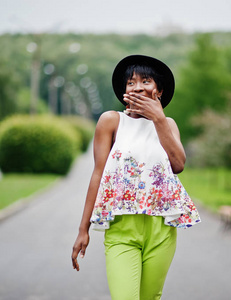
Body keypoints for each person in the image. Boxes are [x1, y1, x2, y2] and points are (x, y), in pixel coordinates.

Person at [71, 55, 201, 300]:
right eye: (131, 82)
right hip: (122, 229)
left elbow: (178, 164)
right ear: (124, 91)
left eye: (146, 81)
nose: (138, 87)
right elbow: (98, 174)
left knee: (149, 298)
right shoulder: (111, 121)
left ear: (159, 90)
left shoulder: (168, 124)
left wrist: (158, 118)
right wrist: (83, 229)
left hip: (161, 229)